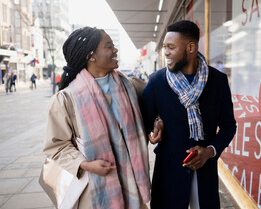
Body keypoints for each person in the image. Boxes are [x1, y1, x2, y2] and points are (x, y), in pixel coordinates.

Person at [43, 27, 153, 209]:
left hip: (133, 189)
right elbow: (56, 145)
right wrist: (85, 164)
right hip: (95, 192)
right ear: (91, 56)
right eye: (109, 46)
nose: (115, 50)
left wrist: (157, 123)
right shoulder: (65, 100)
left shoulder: (131, 87)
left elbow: (153, 113)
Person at [142, 20, 236, 209]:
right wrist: (157, 121)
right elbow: (143, 122)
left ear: (191, 47)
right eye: (165, 47)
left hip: (205, 173)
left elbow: (228, 127)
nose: (165, 52)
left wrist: (209, 152)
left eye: (171, 47)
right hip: (168, 173)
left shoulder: (218, 81)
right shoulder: (156, 82)